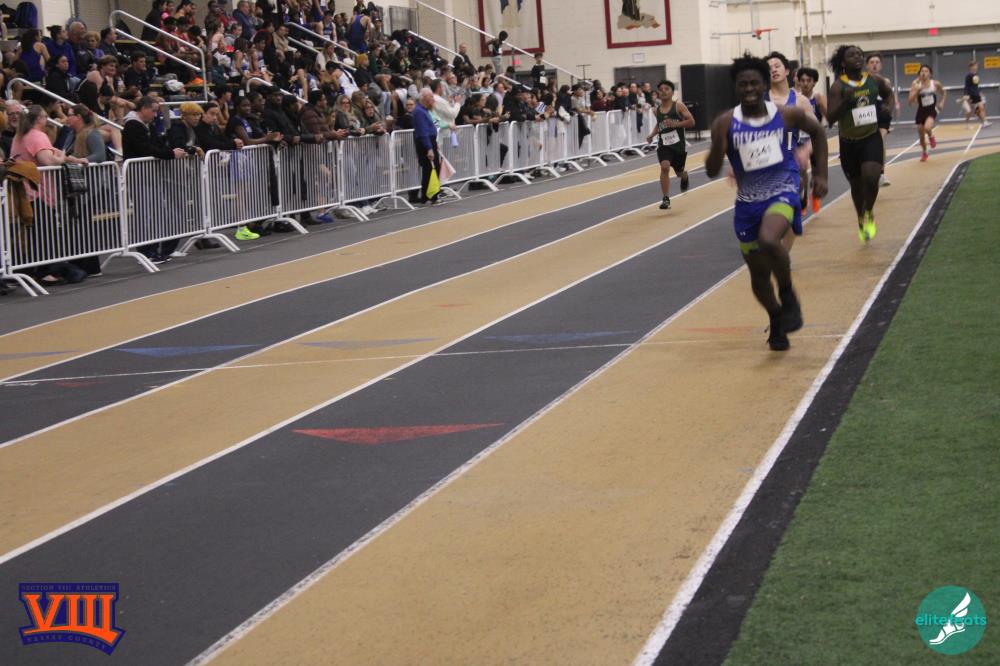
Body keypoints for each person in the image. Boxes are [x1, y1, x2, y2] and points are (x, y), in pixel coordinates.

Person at [705, 54, 828, 352]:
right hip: (748, 203)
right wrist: (718, 148)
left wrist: (821, 174)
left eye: (754, 83)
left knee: (770, 239)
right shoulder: (725, 123)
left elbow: (818, 132)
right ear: (736, 87)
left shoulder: (785, 115)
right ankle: (776, 317)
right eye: (742, 84)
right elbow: (711, 170)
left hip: (783, 188)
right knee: (759, 275)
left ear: (764, 85)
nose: (749, 89)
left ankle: (787, 294)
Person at [827, 44, 894, 243]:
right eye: (851, 55)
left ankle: (868, 211)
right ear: (843, 62)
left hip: (871, 137)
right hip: (849, 143)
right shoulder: (838, 87)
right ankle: (861, 217)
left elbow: (889, 94)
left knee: (871, 178)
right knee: (856, 187)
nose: (857, 57)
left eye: (859, 54)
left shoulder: (874, 80)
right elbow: (830, 118)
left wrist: (888, 107)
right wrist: (844, 102)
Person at [766, 51, 818, 223]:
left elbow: (817, 132)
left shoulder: (800, 101)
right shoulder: (760, 101)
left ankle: (799, 191)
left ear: (787, 71)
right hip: (765, 162)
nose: (773, 70)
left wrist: (806, 150)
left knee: (784, 214)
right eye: (769, 68)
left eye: (777, 66)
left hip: (789, 161)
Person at [645, 80, 693, 210]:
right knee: (665, 167)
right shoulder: (656, 110)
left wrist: (677, 124)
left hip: (678, 146)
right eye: (661, 89)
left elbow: (691, 121)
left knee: (679, 172)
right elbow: (659, 124)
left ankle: (684, 176)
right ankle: (666, 199)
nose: (663, 91)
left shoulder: (678, 106)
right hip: (664, 145)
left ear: (672, 92)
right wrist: (651, 135)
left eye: (666, 89)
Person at [865, 52, 894, 186]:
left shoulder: (885, 81)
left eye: (877, 62)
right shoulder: (863, 81)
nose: (874, 65)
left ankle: (881, 174)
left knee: (880, 142)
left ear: (881, 65)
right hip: (867, 114)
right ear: (867, 65)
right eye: (872, 62)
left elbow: (890, 97)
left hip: (881, 113)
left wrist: (889, 108)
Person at [908, 64, 946, 162]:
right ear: (919, 73)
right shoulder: (916, 84)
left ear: (930, 74)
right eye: (922, 71)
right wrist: (917, 90)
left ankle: (931, 136)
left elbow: (944, 93)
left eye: (926, 71)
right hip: (921, 111)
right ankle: (925, 152)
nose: (924, 73)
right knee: (921, 138)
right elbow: (910, 101)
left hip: (931, 110)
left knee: (927, 127)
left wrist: (942, 102)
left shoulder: (935, 84)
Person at [413, 88, 442, 204]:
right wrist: (429, 148)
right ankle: (429, 196)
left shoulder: (424, 110)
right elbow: (423, 131)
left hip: (430, 140)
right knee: (429, 169)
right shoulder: (419, 112)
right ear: (424, 98)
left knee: (432, 169)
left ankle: (430, 195)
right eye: (430, 96)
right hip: (425, 142)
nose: (433, 99)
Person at [963, 61, 990, 128]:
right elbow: (966, 86)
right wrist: (966, 94)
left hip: (976, 94)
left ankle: (984, 122)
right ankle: (967, 123)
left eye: (976, 66)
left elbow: (976, 85)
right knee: (969, 111)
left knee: (981, 108)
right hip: (971, 95)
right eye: (975, 66)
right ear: (971, 67)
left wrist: (980, 92)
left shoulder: (976, 74)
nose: (976, 67)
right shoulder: (968, 76)